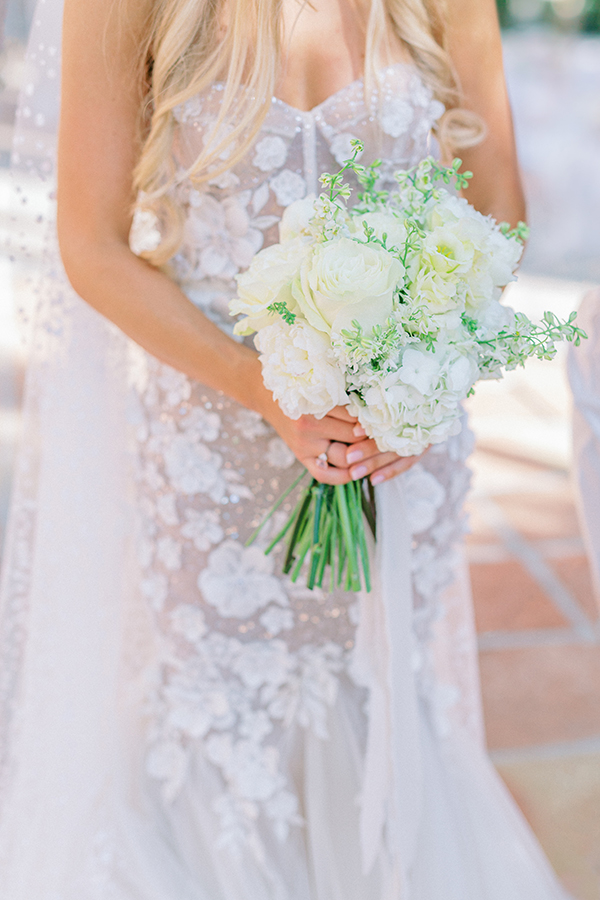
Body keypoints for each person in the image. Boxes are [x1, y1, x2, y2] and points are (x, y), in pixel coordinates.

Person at [0, 0, 571, 896]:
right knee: (218, 729)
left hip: (397, 453)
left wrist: (420, 381)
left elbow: (497, 206)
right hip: (216, 454)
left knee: (387, 699)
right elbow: (92, 245)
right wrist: (261, 387)